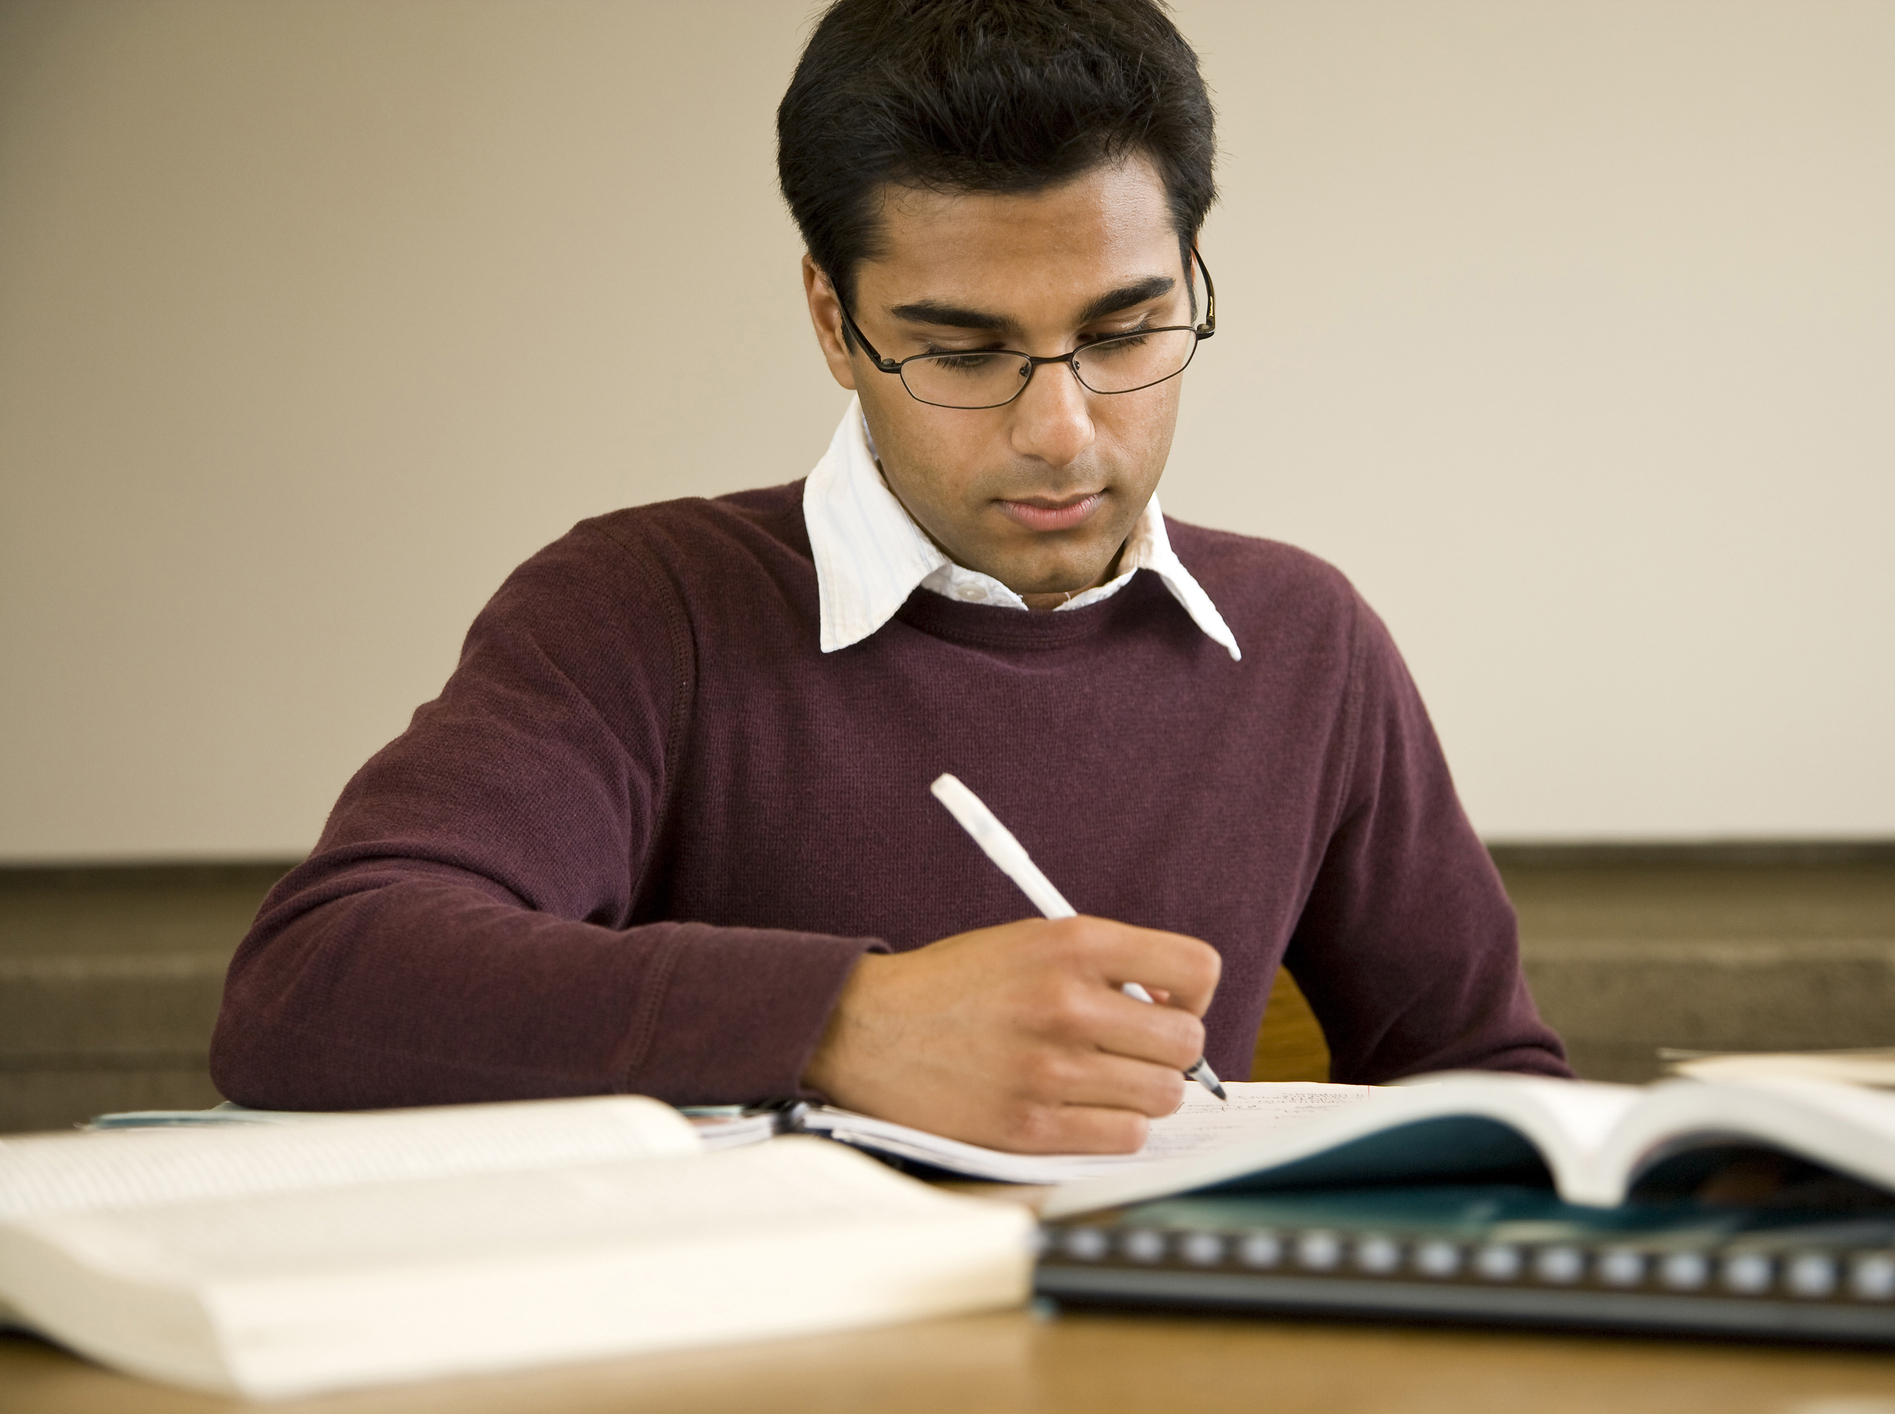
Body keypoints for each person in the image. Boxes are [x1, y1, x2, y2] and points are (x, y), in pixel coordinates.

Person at [210, 0, 1569, 1153]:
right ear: (832, 319)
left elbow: (1488, 1092)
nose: (1063, 431)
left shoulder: (1301, 641)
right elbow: (313, 983)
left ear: (1188, 276)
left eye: (1125, 327)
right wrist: (851, 1023)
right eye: (963, 352)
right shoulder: (643, 608)